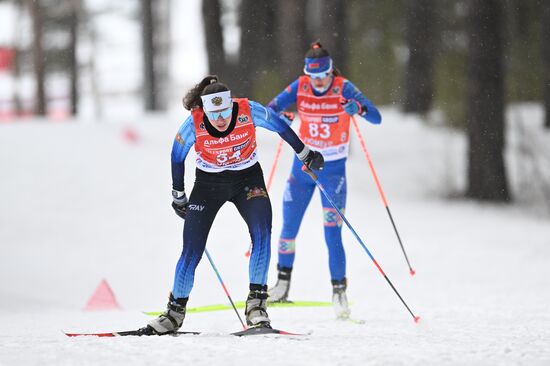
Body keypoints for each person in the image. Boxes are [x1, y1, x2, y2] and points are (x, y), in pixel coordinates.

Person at [139, 75, 324, 335]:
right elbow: (177, 155)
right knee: (192, 249)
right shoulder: (193, 123)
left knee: (262, 234)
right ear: (205, 109)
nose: (221, 118)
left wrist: (305, 153)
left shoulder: (249, 111)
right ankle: (173, 314)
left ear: (231, 104)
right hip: (208, 186)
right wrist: (178, 194)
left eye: (225, 111)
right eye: (214, 113)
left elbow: (281, 126)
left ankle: (256, 306)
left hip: (247, 180)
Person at [267, 42, 382, 319]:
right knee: (288, 228)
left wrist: (359, 109)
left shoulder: (344, 87)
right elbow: (269, 110)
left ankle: (339, 293)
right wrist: (283, 115)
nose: (318, 82)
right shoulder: (300, 86)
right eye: (313, 76)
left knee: (332, 233)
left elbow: (376, 117)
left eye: (323, 76)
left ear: (331, 72)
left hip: (333, 173)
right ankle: (282, 287)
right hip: (302, 169)